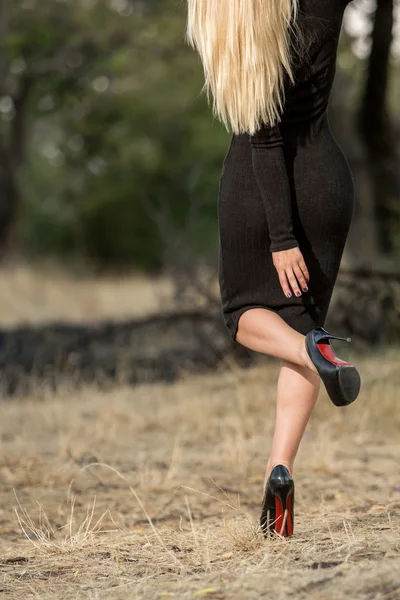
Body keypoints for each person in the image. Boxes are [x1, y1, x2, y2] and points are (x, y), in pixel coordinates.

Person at [186, 0, 361, 537]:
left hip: (257, 190)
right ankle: (278, 473)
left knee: (244, 313)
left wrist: (282, 237)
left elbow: (263, 140)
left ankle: (313, 350)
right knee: (302, 321)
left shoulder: (236, 20)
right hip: (327, 181)